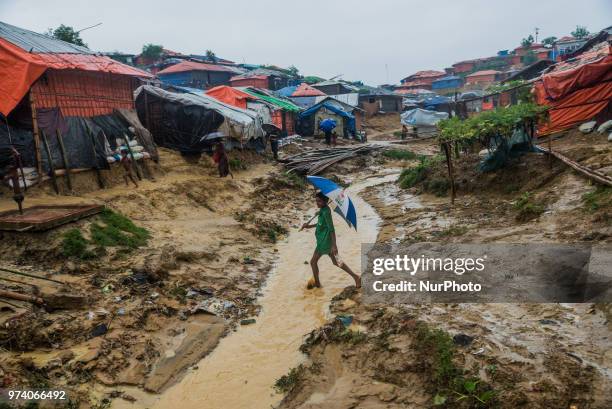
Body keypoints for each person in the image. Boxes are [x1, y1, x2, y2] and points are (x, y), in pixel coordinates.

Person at [301, 192, 361, 289]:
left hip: (325, 242)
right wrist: (308, 226)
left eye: (319, 201)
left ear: (325, 201)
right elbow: (321, 224)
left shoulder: (326, 212)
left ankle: (318, 284)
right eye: (316, 201)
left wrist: (334, 245)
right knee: (336, 262)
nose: (317, 203)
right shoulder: (323, 210)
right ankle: (356, 277)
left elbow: (331, 228)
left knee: (313, 262)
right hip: (323, 241)